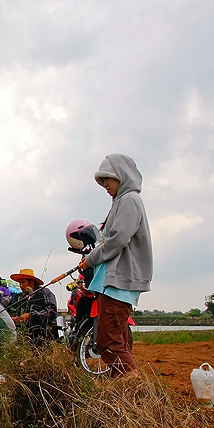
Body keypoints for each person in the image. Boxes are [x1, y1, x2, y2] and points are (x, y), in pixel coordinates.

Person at [77, 153, 153, 378]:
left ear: (121, 176)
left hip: (119, 283)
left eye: (107, 180)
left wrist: (90, 259)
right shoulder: (122, 201)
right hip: (113, 283)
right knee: (112, 341)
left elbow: (118, 239)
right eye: (101, 182)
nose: (105, 186)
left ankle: (134, 391)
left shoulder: (129, 200)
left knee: (109, 342)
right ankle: (120, 390)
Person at [9, 268, 58, 344]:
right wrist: (17, 319)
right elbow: (18, 315)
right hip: (27, 339)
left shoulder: (44, 293)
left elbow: (51, 311)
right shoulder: (22, 298)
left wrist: (30, 315)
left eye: (23, 282)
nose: (21, 286)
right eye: (19, 283)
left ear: (31, 282)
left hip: (45, 336)